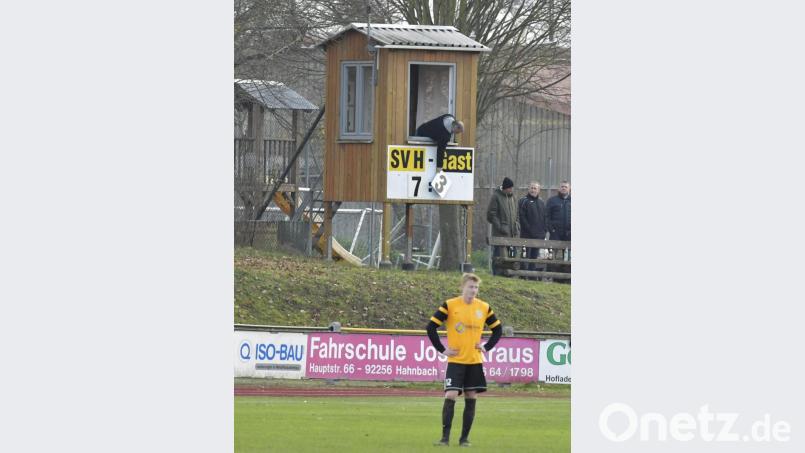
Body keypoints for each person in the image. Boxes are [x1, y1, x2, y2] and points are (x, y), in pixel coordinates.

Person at [426, 273, 503, 447]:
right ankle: (445, 438)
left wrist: (487, 346)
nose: (473, 290)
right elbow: (431, 327)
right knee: (451, 394)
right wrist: (443, 350)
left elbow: (498, 329)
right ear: (462, 287)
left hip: (474, 361)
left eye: (476, 287)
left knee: (471, 396)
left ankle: (464, 439)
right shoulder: (450, 305)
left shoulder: (483, 307)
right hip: (456, 361)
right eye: (470, 287)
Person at [486, 177, 519, 276]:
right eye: (510, 188)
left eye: (512, 188)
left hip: (512, 232)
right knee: (498, 254)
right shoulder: (496, 196)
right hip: (500, 233)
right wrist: (500, 226)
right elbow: (491, 214)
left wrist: (517, 225)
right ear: (505, 188)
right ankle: (496, 273)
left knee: (510, 254)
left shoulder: (513, 197)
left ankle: (507, 273)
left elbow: (516, 213)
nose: (511, 190)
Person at [518, 181, 548, 277]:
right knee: (525, 256)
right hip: (527, 235)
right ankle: (523, 276)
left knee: (534, 257)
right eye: (531, 188)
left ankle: (532, 276)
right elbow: (522, 218)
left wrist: (544, 231)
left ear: (539, 190)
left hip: (539, 236)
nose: (533, 190)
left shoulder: (542, 202)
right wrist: (529, 230)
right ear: (528, 189)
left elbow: (545, 217)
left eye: (535, 188)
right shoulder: (523, 201)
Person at [546, 180, 571, 262]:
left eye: (565, 187)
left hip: (569, 235)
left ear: (569, 189)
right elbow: (546, 216)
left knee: (568, 258)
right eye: (562, 186)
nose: (563, 188)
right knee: (551, 256)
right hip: (555, 234)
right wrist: (551, 230)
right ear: (558, 188)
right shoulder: (552, 200)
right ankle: (550, 274)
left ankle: (566, 274)